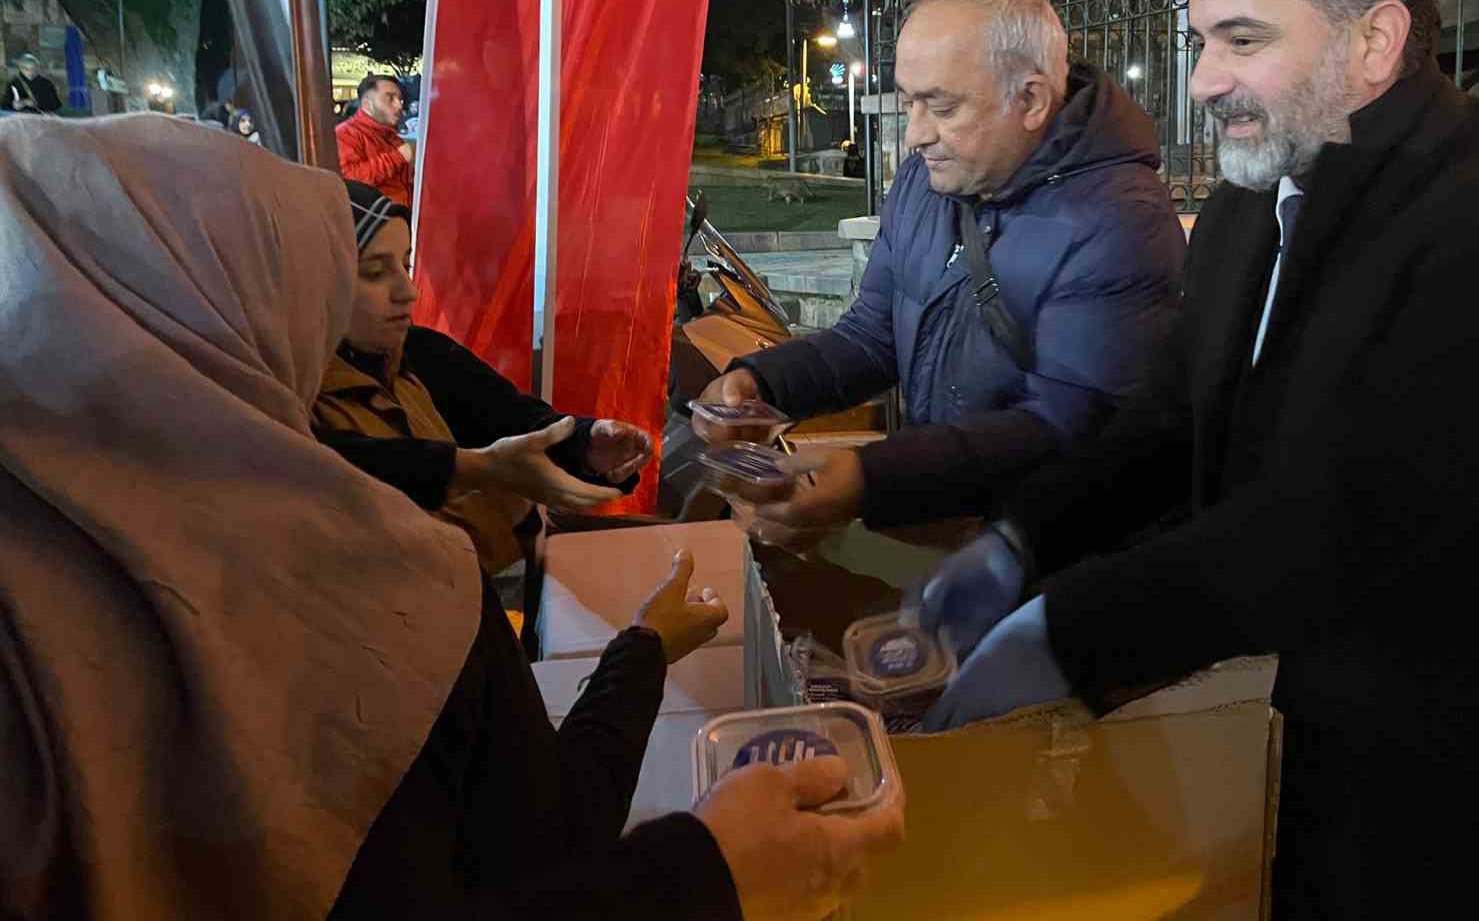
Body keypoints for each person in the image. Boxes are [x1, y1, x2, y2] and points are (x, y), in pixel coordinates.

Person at [0, 111, 903, 921]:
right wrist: (712, 869)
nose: (392, 297)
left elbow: (517, 419)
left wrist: (580, 440)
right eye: (333, 282)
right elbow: (555, 837)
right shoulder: (374, 578)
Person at [918, 0, 1479, 918]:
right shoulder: (1249, 205)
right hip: (1294, 738)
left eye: (1243, 40)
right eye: (1201, 41)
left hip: (1468, 792)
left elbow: (1346, 517)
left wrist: (1068, 633)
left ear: (1372, 42)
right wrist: (1021, 542)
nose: (1200, 80)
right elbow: (1170, 419)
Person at [701, 0, 1185, 539]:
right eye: (909, 103)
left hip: (1060, 561)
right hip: (953, 522)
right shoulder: (924, 180)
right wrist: (763, 382)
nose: (915, 135)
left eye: (943, 107)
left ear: (1030, 99)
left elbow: (1068, 428)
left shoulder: (1120, 222)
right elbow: (871, 336)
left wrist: (870, 478)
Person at [315, 182, 651, 647]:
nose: (407, 291)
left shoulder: (419, 353)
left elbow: (513, 418)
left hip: (485, 621)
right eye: (375, 271)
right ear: (312, 280)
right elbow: (357, 482)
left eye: (406, 264)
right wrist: (485, 478)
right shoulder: (289, 397)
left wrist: (588, 444)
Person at [337, 72, 414, 207]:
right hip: (378, 223)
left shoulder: (392, 137)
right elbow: (350, 182)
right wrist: (398, 157)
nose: (399, 106)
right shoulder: (345, 134)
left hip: (401, 220)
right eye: (390, 98)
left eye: (400, 99)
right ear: (367, 104)